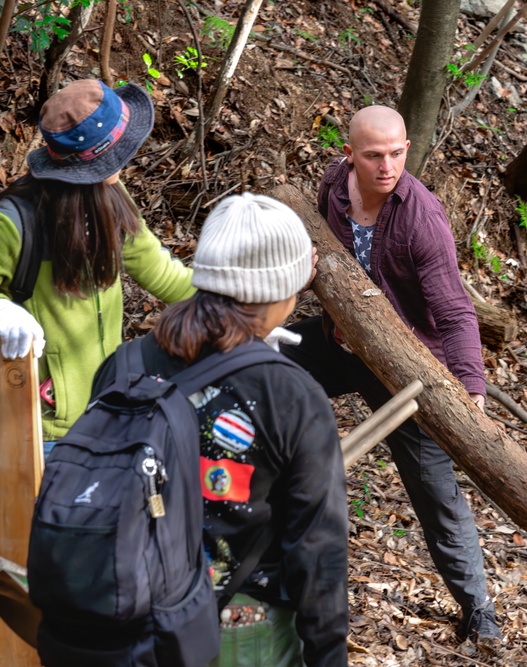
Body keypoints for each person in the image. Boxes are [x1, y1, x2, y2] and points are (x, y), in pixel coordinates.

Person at [91, 193, 349, 666]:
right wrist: (329, 655)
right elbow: (318, 549)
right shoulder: (290, 393)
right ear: (284, 289)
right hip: (236, 629)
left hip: (117, 614)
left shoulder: (125, 365)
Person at [281, 105, 501, 645]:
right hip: (339, 341)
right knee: (260, 369)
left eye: (397, 153)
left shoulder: (421, 216)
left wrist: (470, 388)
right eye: (374, 155)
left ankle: (479, 611)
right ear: (349, 153)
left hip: (404, 368)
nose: (387, 166)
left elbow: (454, 311)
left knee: (435, 490)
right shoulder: (333, 187)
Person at [0, 79, 194, 445]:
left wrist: (238, 308)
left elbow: (165, 275)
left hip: (108, 410)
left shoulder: (111, 198)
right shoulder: (14, 221)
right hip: (38, 432)